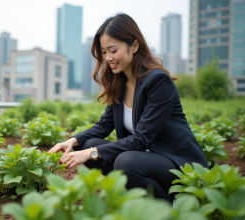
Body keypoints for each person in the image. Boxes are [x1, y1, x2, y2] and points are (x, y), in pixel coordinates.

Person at [48, 13, 208, 204]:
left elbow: (141, 140)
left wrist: (91, 152)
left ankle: (172, 206)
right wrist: (72, 141)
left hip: (178, 163)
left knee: (123, 160)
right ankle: (137, 196)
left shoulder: (157, 81)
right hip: (145, 158)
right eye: (104, 51)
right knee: (87, 143)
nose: (108, 58)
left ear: (134, 45)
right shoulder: (120, 81)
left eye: (113, 50)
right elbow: (104, 125)